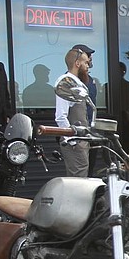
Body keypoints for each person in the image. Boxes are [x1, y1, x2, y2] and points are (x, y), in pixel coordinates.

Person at [54, 46, 93, 178]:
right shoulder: (66, 83)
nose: (88, 66)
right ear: (77, 63)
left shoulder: (78, 84)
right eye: (86, 63)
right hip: (74, 141)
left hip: (82, 139)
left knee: (82, 178)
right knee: (77, 179)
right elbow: (60, 116)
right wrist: (72, 140)